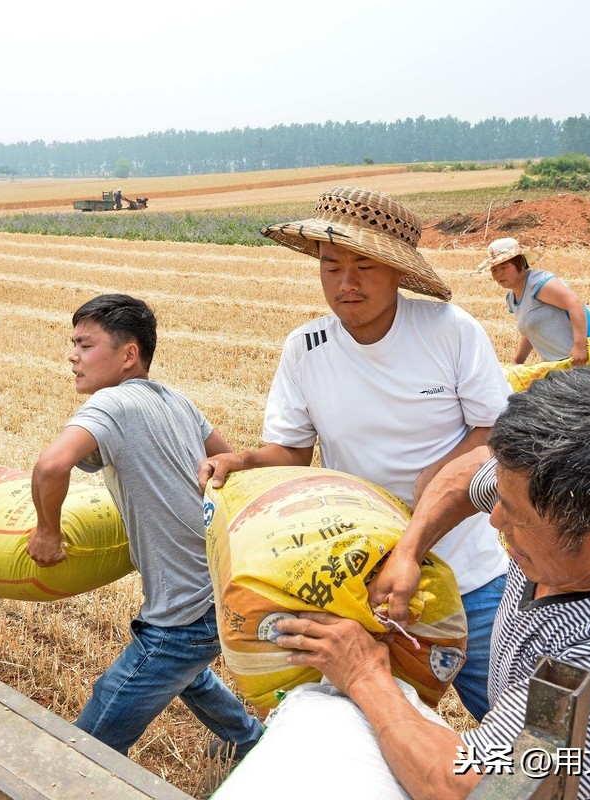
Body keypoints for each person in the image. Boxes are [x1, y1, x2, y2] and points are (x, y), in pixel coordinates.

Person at [268, 367, 590, 800]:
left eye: (517, 518)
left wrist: (364, 674)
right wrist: (409, 551)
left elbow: (471, 786)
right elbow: (469, 473)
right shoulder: (564, 510)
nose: (495, 518)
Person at [200, 186, 511, 721]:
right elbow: (293, 452)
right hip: (365, 580)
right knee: (370, 727)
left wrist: (439, 477)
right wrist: (244, 461)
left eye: (365, 266)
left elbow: (497, 428)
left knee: (515, 734)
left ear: (397, 271)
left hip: (471, 572)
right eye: (331, 266)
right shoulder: (305, 349)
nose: (346, 283)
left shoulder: (448, 331)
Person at [27, 294, 264, 760]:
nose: (72, 355)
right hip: (222, 584)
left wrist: (48, 533)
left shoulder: (111, 403)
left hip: (184, 609)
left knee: (88, 744)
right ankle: (249, 740)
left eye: (84, 344)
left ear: (128, 354)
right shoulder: (175, 399)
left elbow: (51, 466)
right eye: (71, 343)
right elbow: (229, 462)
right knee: (188, 674)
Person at [477, 237, 590, 366]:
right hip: (560, 364)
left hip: (588, 359)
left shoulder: (539, 283)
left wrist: (579, 346)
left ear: (521, 264)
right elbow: (531, 330)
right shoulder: (511, 298)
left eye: (504, 267)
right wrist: (517, 363)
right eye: (494, 269)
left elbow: (575, 304)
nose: (499, 274)